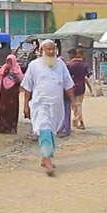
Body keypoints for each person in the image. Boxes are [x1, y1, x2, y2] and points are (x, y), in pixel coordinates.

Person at [21, 40, 75, 176]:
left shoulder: (61, 65)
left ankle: (45, 158)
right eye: (48, 50)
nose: (51, 52)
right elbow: (27, 87)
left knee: (51, 131)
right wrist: (25, 105)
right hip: (40, 104)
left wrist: (73, 102)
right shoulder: (34, 66)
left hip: (57, 106)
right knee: (44, 128)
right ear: (41, 51)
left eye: (53, 49)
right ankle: (48, 160)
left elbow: (68, 84)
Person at [0, 54, 23, 134]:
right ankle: (2, 127)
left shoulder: (16, 68)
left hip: (13, 92)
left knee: (12, 110)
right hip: (4, 92)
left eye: (11, 61)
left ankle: (12, 128)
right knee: (3, 109)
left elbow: (21, 79)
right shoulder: (4, 67)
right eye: (8, 61)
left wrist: (14, 74)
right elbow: (0, 77)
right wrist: (5, 71)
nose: (9, 63)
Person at [66, 49, 92, 130]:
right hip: (81, 87)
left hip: (72, 87)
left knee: (76, 105)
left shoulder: (70, 65)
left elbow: (67, 77)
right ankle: (78, 121)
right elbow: (87, 76)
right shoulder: (85, 65)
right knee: (78, 104)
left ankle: (78, 121)